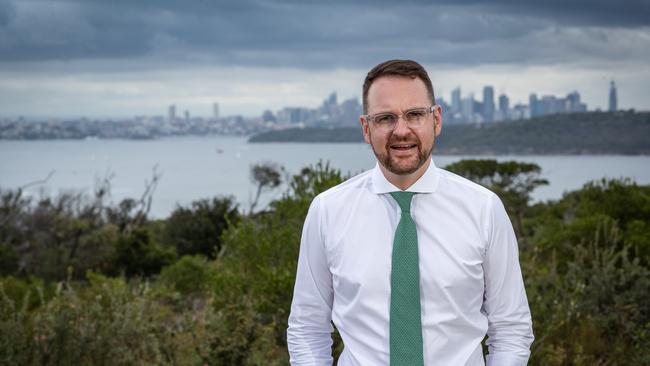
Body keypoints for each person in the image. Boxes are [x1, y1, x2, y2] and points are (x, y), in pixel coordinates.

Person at [287, 59, 533, 365]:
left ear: (436, 120)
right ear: (367, 128)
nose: (401, 130)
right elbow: (307, 327)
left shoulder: (484, 209)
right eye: (385, 118)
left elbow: (511, 328)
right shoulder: (327, 211)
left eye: (415, 114)